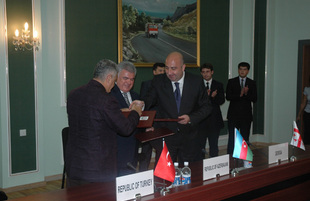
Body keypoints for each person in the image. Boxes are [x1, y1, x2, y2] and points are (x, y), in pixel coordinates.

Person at [65, 59, 143, 187]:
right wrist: (135, 112)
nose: (112, 86)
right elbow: (126, 128)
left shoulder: (74, 94)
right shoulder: (106, 100)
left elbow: (92, 119)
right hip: (97, 170)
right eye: (113, 81)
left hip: (74, 166)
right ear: (108, 78)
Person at [143, 52, 212, 164]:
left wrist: (191, 118)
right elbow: (148, 102)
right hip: (166, 136)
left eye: (174, 68)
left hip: (190, 137)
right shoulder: (158, 81)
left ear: (183, 67)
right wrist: (140, 105)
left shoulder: (196, 81)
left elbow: (207, 107)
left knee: (190, 173)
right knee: (164, 174)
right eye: (167, 68)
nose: (169, 72)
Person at [110, 61, 140, 176]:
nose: (129, 82)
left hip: (132, 149)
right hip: (117, 149)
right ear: (116, 77)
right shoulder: (109, 95)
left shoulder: (136, 96)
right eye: (125, 78)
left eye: (132, 79)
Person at [226, 62, 257, 154]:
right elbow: (228, 96)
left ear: (248, 71)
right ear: (238, 70)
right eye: (240, 69)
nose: (242, 71)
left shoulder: (252, 83)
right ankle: (230, 157)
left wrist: (246, 93)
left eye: (244, 69)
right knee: (232, 138)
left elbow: (255, 99)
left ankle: (244, 157)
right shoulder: (231, 81)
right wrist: (239, 94)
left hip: (246, 116)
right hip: (233, 115)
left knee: (244, 138)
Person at [139, 62, 165, 171]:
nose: (162, 73)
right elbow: (144, 105)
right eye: (160, 71)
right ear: (154, 72)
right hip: (149, 123)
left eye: (164, 71)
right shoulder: (147, 84)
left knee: (161, 150)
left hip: (162, 123)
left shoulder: (167, 85)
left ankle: (157, 174)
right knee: (146, 150)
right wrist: (147, 124)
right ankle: (142, 173)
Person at [198, 63, 225, 158]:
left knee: (214, 145)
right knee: (200, 146)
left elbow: (221, 101)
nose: (205, 74)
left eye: (208, 72)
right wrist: (207, 96)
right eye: (203, 72)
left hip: (214, 120)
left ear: (212, 72)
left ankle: (214, 164)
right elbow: (195, 103)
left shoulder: (218, 85)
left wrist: (213, 97)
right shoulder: (198, 85)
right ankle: (200, 166)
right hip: (201, 121)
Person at [297, 77, 310, 145]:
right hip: (307, 113)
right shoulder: (307, 89)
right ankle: (306, 149)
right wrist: (299, 115)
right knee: (307, 131)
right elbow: (303, 103)